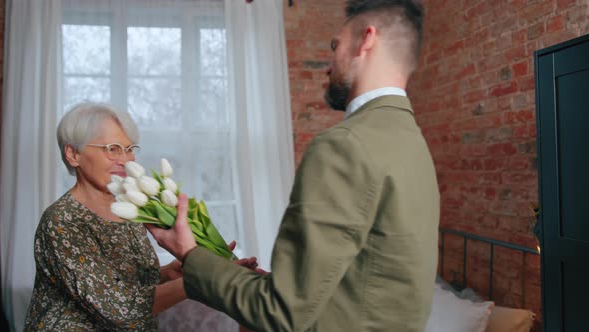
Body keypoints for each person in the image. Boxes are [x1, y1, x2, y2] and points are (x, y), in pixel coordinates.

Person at [149, 0, 440, 331]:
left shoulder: (344, 145)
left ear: (366, 40)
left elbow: (281, 313)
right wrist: (259, 281)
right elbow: (367, 277)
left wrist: (190, 253)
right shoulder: (412, 142)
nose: (328, 66)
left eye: (336, 46)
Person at [23, 103, 258, 331]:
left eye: (129, 149)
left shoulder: (129, 210)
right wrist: (202, 277)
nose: (125, 160)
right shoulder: (63, 221)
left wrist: (167, 274)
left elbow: (123, 283)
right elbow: (120, 310)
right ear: (73, 154)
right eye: (112, 148)